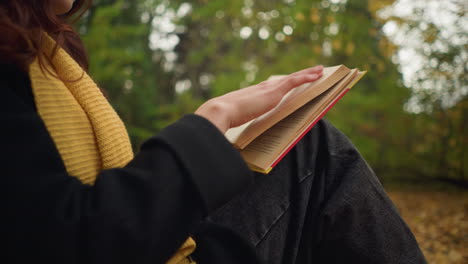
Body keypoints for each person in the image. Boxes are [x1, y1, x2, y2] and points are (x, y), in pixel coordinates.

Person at [1, 0, 427, 263]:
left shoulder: (45, 58)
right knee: (320, 152)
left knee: (308, 143)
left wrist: (221, 142)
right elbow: (66, 241)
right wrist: (209, 122)